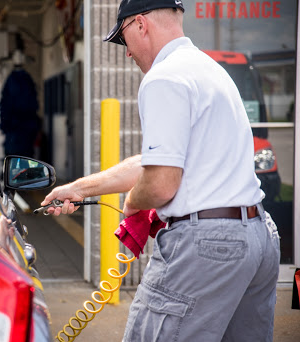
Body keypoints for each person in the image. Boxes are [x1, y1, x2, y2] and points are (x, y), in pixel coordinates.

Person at [41, 0, 281, 341]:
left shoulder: (163, 78)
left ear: (141, 24)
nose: (126, 53)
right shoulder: (208, 70)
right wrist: (79, 188)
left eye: (123, 39)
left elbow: (160, 183)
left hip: (208, 246)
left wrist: (133, 204)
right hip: (257, 237)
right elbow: (153, 162)